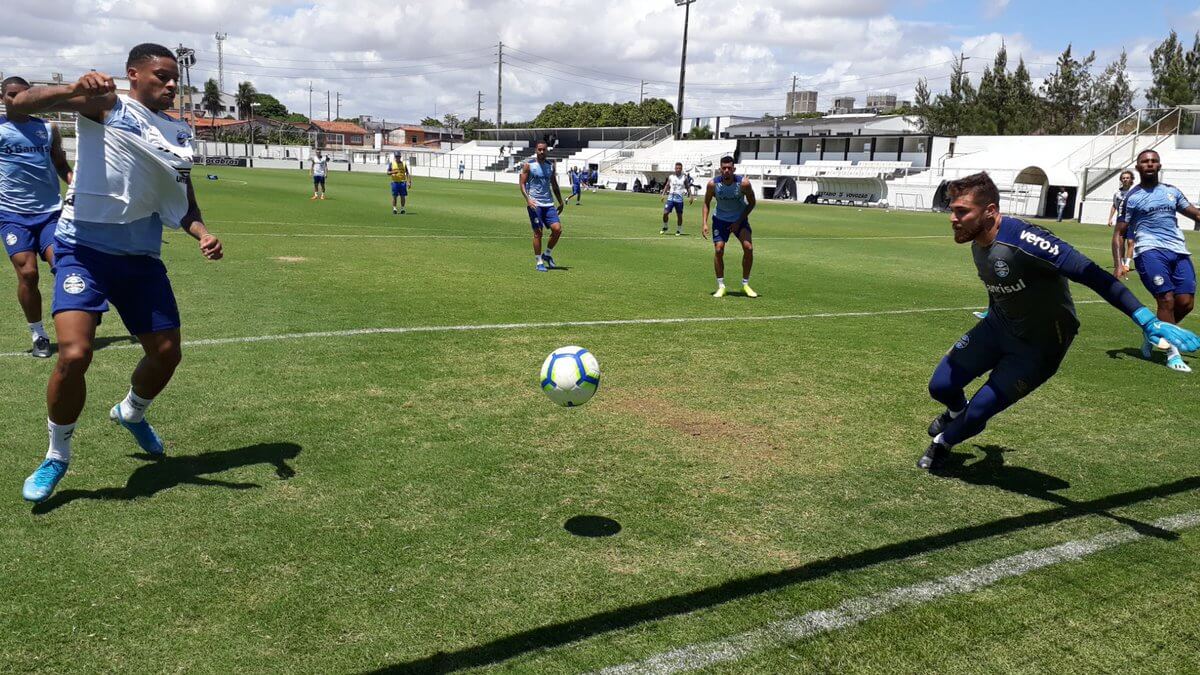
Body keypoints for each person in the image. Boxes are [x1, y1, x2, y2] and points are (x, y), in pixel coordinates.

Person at [8, 44, 224, 503]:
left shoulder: (180, 132)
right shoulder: (106, 105)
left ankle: (131, 411)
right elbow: (19, 104)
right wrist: (73, 87)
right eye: (161, 76)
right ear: (133, 74)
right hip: (82, 250)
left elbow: (182, 200)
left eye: (174, 79)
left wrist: (201, 231)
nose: (171, 85)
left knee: (167, 354)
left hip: (141, 258)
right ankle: (56, 456)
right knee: (74, 352)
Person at [918, 172, 1197, 471]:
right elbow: (998, 280)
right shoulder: (977, 238)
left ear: (990, 212)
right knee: (941, 386)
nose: (953, 218)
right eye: (953, 209)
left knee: (977, 415)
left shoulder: (1027, 241)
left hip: (1040, 346)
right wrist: (992, 309)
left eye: (962, 211)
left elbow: (1093, 274)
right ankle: (956, 411)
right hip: (999, 327)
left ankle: (943, 443)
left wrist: (1146, 319)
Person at [1, 76, 73, 359]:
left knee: (64, 265)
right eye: (10, 94)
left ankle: (78, 318)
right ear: (3, 97)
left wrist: (74, 184)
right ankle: (38, 334)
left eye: (22, 94)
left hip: (50, 212)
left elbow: (60, 163)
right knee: (28, 273)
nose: (16, 99)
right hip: (12, 214)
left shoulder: (47, 127)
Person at [1113, 149, 1200, 373]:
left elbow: (1195, 214)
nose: (1150, 164)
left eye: (1154, 161)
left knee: (1186, 303)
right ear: (1138, 167)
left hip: (1178, 251)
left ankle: (1155, 331)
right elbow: (1119, 233)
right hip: (1149, 251)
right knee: (1166, 300)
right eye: (1145, 162)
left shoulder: (1172, 192)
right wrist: (1118, 264)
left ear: (1159, 166)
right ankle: (1172, 354)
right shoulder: (1132, 197)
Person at [701, 156, 757, 298]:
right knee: (719, 250)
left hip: (739, 220)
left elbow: (752, 203)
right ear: (720, 169)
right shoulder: (712, 184)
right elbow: (706, 202)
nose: (726, 170)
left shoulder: (743, 184)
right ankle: (721, 286)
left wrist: (739, 221)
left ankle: (745, 284)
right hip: (720, 219)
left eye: (729, 168)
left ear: (734, 169)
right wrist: (705, 223)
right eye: (724, 168)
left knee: (748, 248)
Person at [518, 140, 566, 273]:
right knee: (538, 233)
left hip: (549, 203)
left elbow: (554, 185)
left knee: (557, 230)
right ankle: (539, 261)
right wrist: (528, 199)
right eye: (539, 149)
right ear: (536, 150)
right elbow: (522, 183)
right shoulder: (529, 166)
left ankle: (547, 254)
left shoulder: (550, 166)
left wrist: (560, 201)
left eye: (543, 149)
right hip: (535, 204)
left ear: (547, 150)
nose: (541, 152)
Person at [660, 162, 688, 236]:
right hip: (670, 199)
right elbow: (667, 185)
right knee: (665, 213)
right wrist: (663, 194)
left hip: (679, 200)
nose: (678, 169)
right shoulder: (671, 177)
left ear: (681, 169)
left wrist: (691, 196)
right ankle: (665, 226)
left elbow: (688, 186)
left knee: (679, 215)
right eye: (677, 168)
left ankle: (679, 230)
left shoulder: (684, 177)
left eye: (679, 168)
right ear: (675, 169)